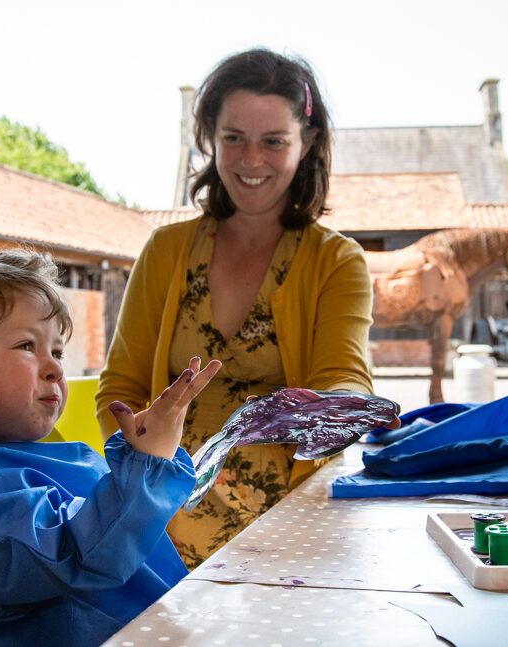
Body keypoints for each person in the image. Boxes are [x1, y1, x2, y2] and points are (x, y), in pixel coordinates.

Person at [96, 48, 377, 568]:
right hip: (156, 522)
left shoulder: (337, 262)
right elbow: (120, 389)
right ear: (210, 138)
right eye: (234, 139)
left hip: (286, 527)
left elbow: (343, 383)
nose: (251, 160)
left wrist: (342, 410)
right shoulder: (165, 250)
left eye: (273, 141)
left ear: (308, 142)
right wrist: (142, 481)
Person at [0, 243, 221, 647]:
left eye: (56, 350)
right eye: (26, 346)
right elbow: (79, 557)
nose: (55, 368)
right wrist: (145, 463)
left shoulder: (10, 464)